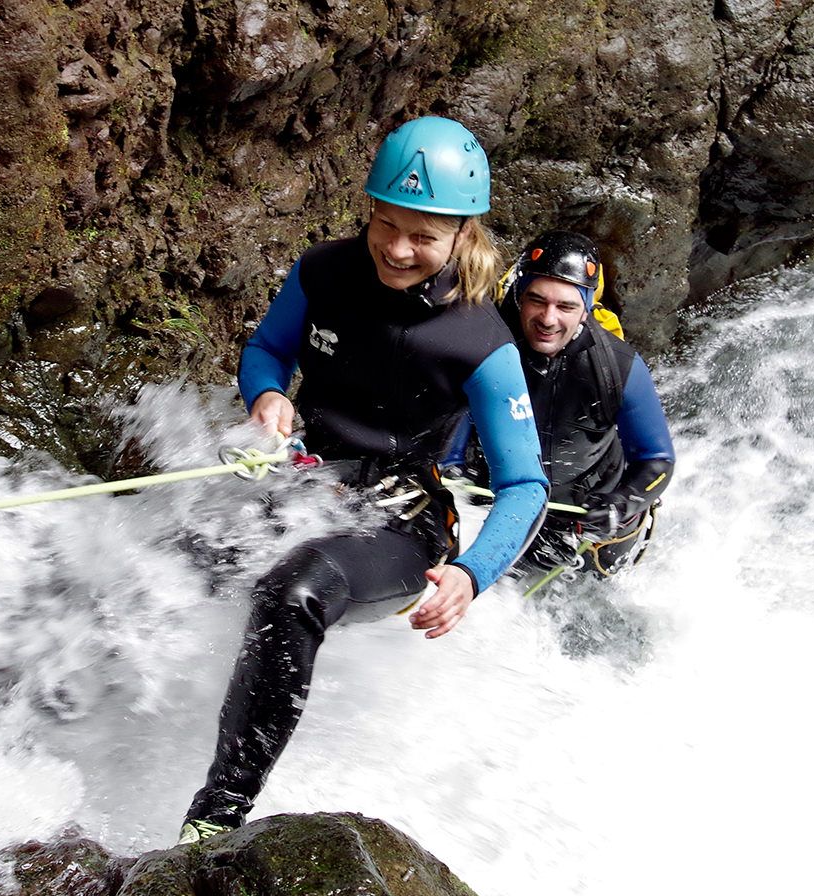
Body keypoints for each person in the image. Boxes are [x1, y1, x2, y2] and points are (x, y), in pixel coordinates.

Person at [179, 117, 549, 844]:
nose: (398, 248)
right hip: (305, 482)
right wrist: (268, 396)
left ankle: (215, 818)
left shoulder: (480, 340)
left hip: (402, 525)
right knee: (173, 562)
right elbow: (267, 350)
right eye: (386, 224)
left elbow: (525, 486)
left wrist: (471, 575)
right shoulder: (324, 272)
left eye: (423, 236)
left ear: (461, 237)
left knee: (293, 591)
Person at [446, 230, 675, 580]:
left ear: (586, 310)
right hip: (499, 498)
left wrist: (622, 504)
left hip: (588, 517)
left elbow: (656, 459)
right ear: (520, 297)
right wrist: (451, 471)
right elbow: (454, 418)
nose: (548, 319)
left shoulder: (618, 365)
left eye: (566, 306)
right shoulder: (485, 345)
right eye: (537, 300)